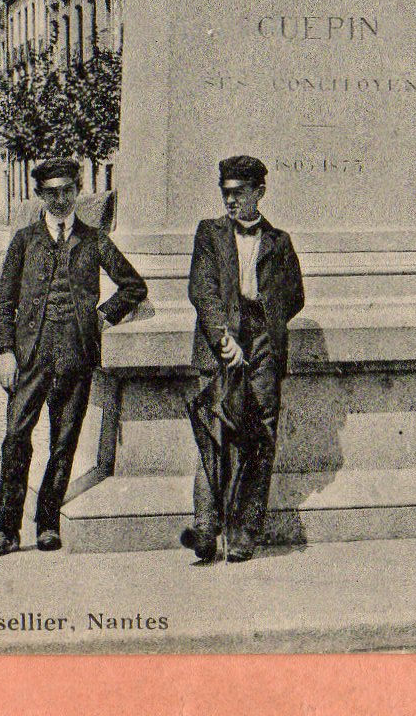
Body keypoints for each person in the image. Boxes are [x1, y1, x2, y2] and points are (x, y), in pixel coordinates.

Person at [0, 158, 148, 558]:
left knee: (64, 441)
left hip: (76, 355)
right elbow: (5, 300)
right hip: (30, 357)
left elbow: (133, 286)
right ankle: (7, 530)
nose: (59, 200)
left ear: (77, 191)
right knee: (15, 438)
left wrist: (102, 316)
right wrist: (5, 351)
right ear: (40, 195)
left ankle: (48, 524)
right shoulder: (24, 240)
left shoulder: (94, 240)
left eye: (67, 191)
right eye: (51, 193)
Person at [181, 155, 305, 563]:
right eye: (226, 193)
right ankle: (205, 527)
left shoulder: (279, 241)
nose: (230, 201)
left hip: (263, 344)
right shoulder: (209, 233)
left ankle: (244, 533)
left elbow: (294, 296)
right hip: (218, 343)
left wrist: (264, 327)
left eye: (238, 193)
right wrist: (224, 337)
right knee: (213, 431)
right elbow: (202, 290)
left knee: (260, 438)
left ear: (259, 193)